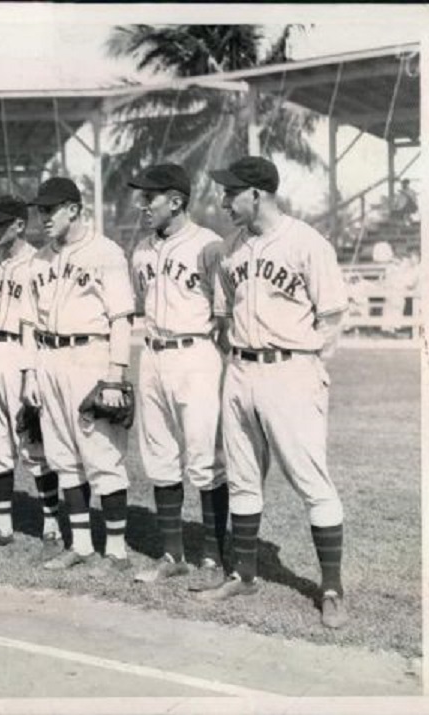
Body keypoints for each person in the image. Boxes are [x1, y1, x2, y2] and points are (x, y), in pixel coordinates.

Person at [206, 157, 349, 629]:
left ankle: (331, 588)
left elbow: (330, 317)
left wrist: (309, 369)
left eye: (232, 193)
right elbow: (223, 317)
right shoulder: (230, 248)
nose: (224, 202)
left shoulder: (307, 243)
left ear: (257, 194)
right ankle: (243, 573)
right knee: (243, 477)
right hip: (241, 370)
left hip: (291, 369)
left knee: (310, 479)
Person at [21, 177, 136, 572]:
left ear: (73, 209)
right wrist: (30, 375)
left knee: (101, 453)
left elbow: (122, 318)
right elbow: (28, 324)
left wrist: (115, 375)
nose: (43, 218)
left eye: (50, 210)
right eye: (40, 211)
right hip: (49, 358)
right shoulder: (38, 260)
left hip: (91, 354)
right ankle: (82, 545)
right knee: (61, 455)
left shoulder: (106, 252)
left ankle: (117, 550)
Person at [127, 164, 229, 590]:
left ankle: (213, 556)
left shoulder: (210, 246)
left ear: (176, 200)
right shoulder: (141, 251)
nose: (142, 205)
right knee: (160, 456)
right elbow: (140, 303)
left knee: (205, 458)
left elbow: (225, 313)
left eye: (150, 197)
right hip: (152, 354)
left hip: (197, 354)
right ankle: (173, 554)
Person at [0, 195, 61, 554]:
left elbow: (43, 322)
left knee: (34, 441)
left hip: (25, 353)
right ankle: (3, 526)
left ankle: (52, 525)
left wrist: (33, 370)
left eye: (1, 223)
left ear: (20, 225)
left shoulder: (39, 263)